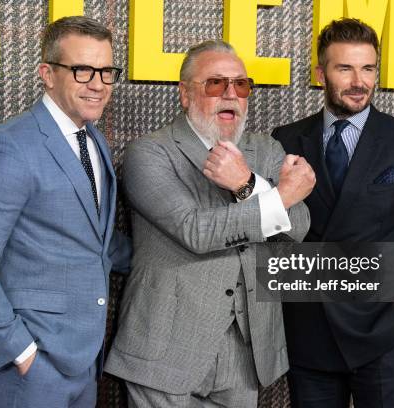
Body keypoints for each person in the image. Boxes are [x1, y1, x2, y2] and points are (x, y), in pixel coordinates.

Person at [104, 40, 315, 407]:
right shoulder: (151, 152)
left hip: (245, 350)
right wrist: (260, 190)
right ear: (185, 94)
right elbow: (195, 231)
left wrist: (247, 185)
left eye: (241, 84)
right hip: (166, 350)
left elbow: (298, 226)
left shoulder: (266, 150)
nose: (230, 95)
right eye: (216, 84)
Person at [0, 16, 131, 408]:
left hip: (85, 359)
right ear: (47, 74)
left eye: (107, 71)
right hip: (34, 368)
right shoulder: (10, 146)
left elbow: (96, 242)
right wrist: (23, 353)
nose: (98, 83)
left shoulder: (93, 139)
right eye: (82, 70)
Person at [272, 18, 394, 408]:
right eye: (345, 68)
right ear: (321, 74)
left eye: (368, 68)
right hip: (309, 334)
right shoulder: (285, 139)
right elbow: (273, 233)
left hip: (382, 334)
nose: (360, 81)